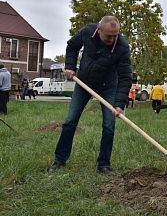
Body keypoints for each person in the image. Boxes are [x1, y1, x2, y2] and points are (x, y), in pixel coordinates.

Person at [47, 15, 132, 175]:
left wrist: (119, 104)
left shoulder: (122, 47)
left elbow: (125, 77)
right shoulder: (87, 32)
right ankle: (59, 160)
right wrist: (70, 66)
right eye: (109, 35)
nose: (113, 39)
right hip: (83, 83)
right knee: (70, 121)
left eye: (115, 35)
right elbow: (72, 46)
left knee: (109, 125)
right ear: (99, 30)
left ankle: (104, 165)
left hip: (109, 87)